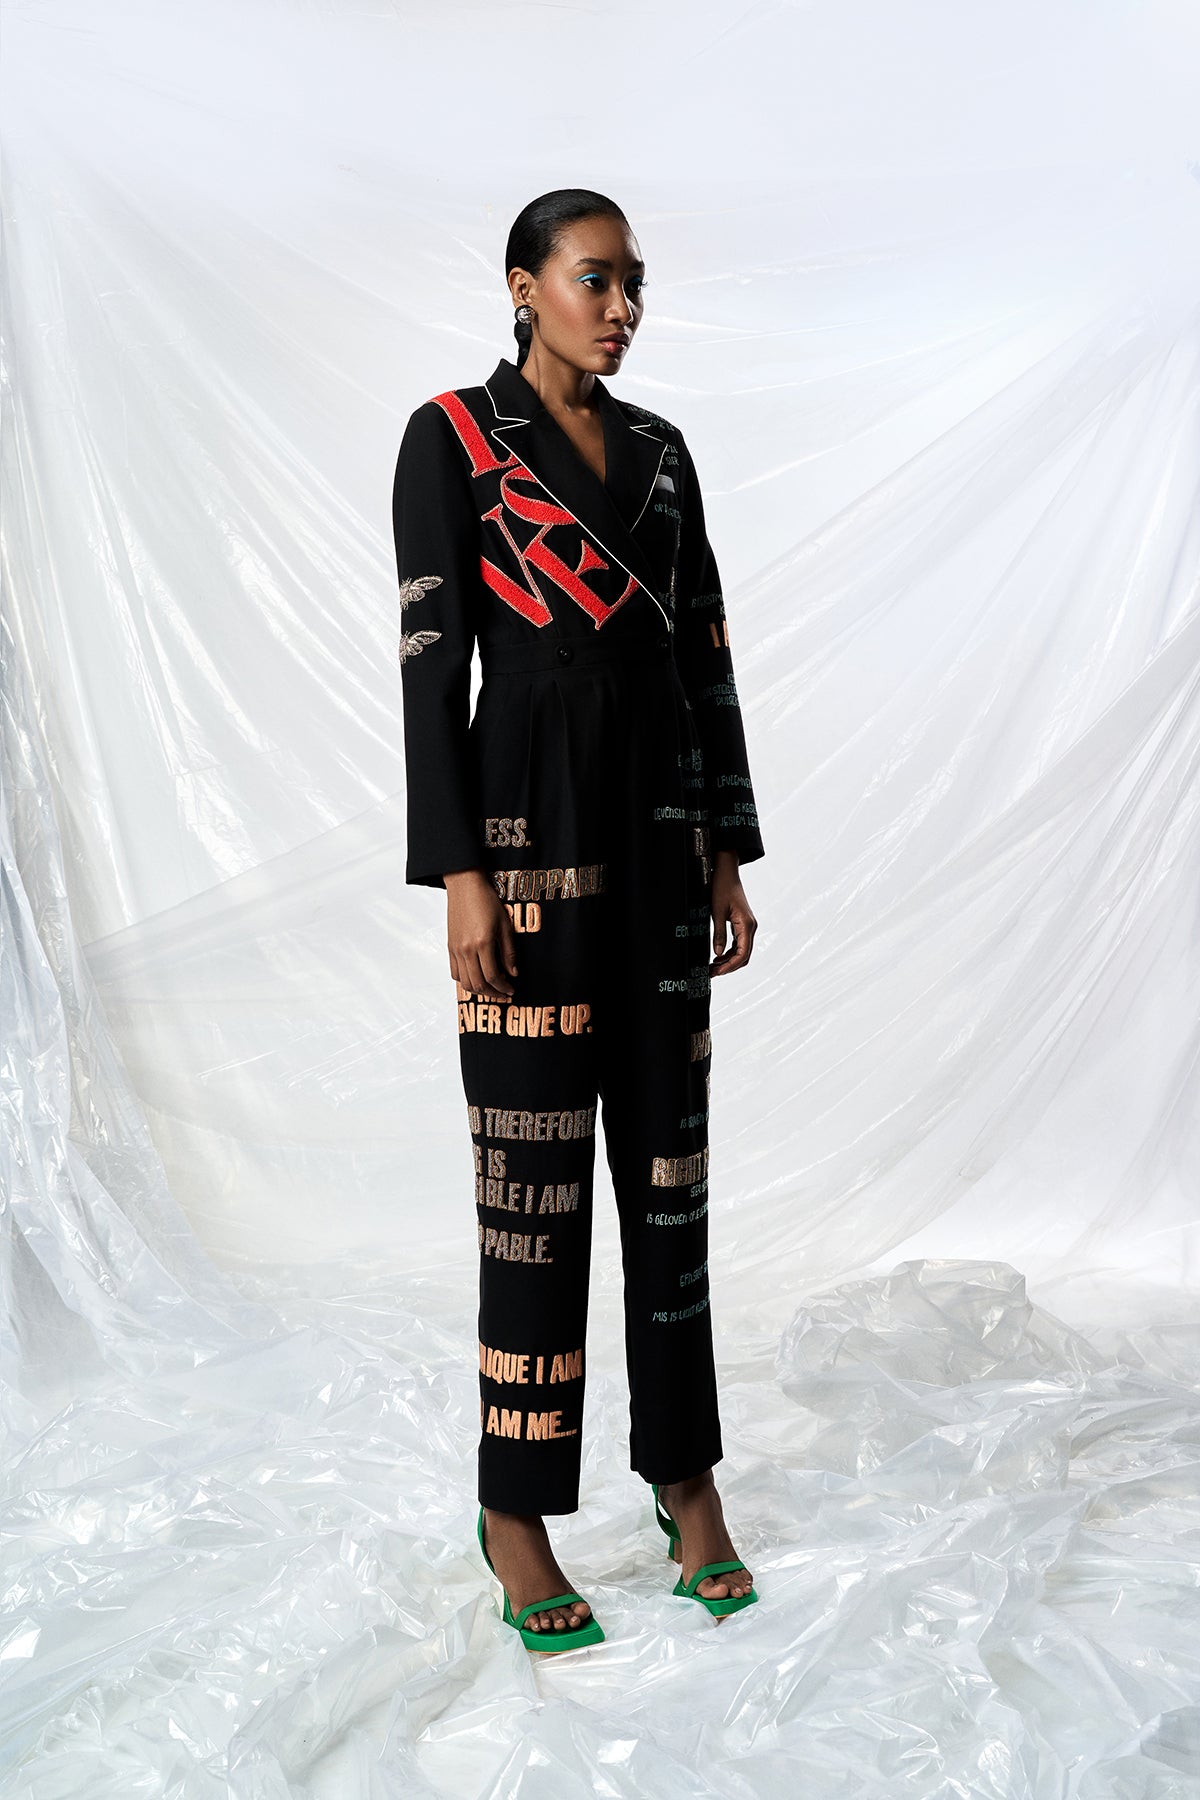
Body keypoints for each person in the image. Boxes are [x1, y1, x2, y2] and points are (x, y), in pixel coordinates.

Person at [392, 188, 764, 1652]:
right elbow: (433, 671)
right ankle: (516, 1515)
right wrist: (459, 872)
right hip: (525, 845)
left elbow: (707, 656)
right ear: (522, 284)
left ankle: (687, 1481)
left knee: (670, 1185)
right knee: (532, 1195)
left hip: (662, 844)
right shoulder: (452, 438)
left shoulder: (662, 454)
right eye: (595, 278)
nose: (621, 307)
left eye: (634, 285)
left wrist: (726, 849)